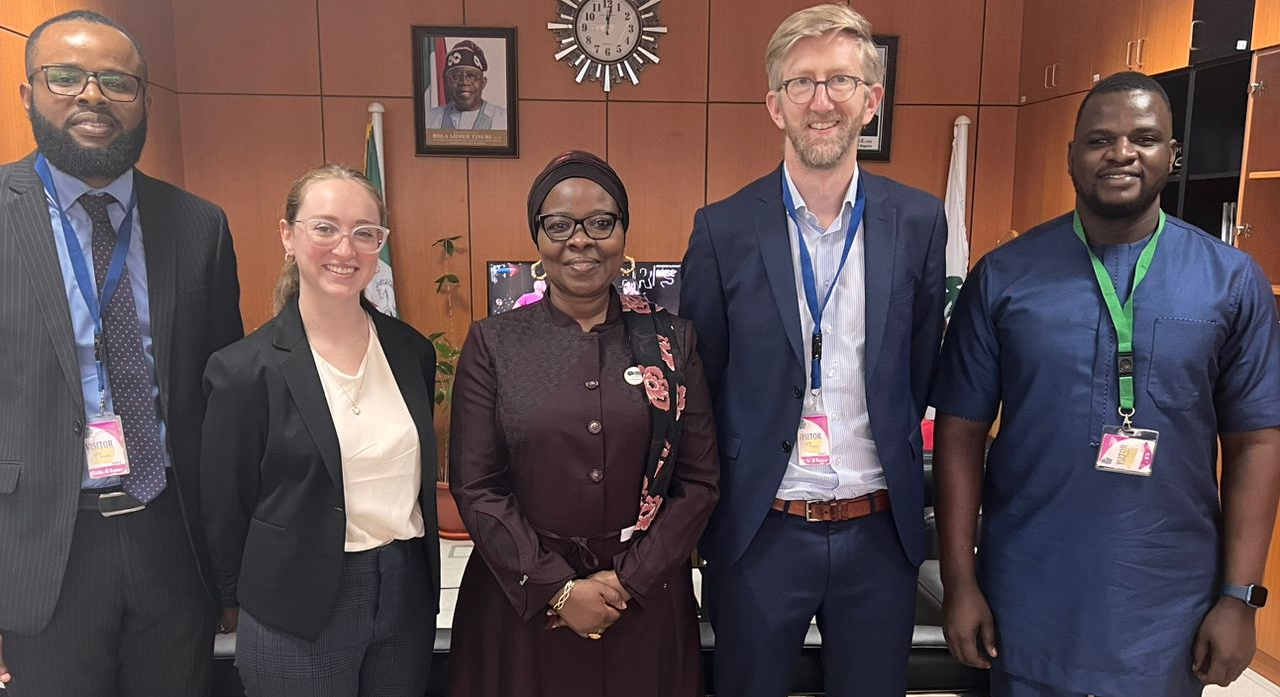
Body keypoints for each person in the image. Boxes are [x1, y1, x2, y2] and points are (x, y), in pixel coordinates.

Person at [932, 71, 1280, 697]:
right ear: (1071, 157)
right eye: (1099, 140)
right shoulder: (1005, 276)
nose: (1121, 153)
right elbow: (959, 434)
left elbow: (1257, 441)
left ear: (1173, 156)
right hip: (1027, 594)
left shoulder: (1231, 282)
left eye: (1144, 139)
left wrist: (1239, 598)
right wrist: (961, 585)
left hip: (1169, 605)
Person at [678, 4, 947, 695]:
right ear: (775, 105)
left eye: (840, 81)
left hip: (877, 532)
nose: (821, 101)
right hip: (761, 531)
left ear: (871, 100)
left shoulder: (918, 221)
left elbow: (918, 367)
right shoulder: (722, 230)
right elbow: (698, 383)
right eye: (801, 83)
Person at [0, 10, 243, 696]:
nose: (93, 96)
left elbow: (219, 405)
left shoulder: (199, 226)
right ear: (27, 94)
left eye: (116, 81)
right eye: (67, 77)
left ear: (142, 99)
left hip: (172, 539)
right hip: (38, 552)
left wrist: (227, 567)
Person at [448, 150, 719, 696]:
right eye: (559, 225)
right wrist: (559, 589)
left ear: (622, 232)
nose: (581, 240)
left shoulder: (673, 341)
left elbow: (700, 482)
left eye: (601, 222)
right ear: (538, 236)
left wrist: (628, 580)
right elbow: (477, 486)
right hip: (522, 603)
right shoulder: (493, 343)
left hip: (645, 599)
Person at [200, 165, 440, 696]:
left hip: (404, 594)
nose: (345, 248)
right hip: (294, 603)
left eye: (364, 232)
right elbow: (224, 505)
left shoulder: (411, 352)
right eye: (325, 227)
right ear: (288, 235)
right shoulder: (243, 369)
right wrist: (233, 599)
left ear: (379, 243)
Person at [425, 39, 508, 131]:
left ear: (483, 82)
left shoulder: (503, 119)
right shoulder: (429, 119)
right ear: (447, 83)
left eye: (471, 76)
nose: (464, 82)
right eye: (456, 76)